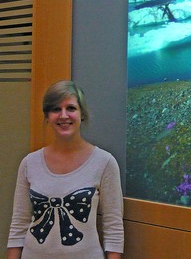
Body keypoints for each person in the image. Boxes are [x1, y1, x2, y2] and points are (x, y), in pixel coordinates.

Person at [7, 80, 124, 259]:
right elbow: (18, 225)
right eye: (55, 109)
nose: (63, 115)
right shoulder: (29, 163)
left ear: (82, 114)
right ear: (47, 116)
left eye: (70, 108)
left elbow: (113, 228)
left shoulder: (105, 163)